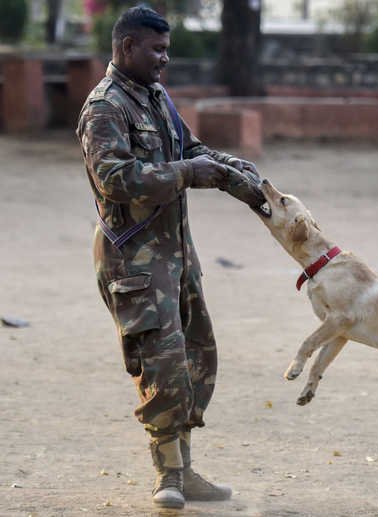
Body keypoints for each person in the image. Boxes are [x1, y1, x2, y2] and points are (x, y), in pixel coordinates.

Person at [76, 6, 264, 510]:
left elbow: (190, 147)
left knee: (195, 358)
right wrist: (190, 172)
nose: (165, 59)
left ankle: (186, 466)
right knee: (160, 364)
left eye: (167, 49)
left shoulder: (155, 96)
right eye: (156, 49)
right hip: (133, 258)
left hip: (175, 252)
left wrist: (229, 170)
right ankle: (169, 477)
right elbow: (117, 180)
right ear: (126, 48)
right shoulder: (104, 108)